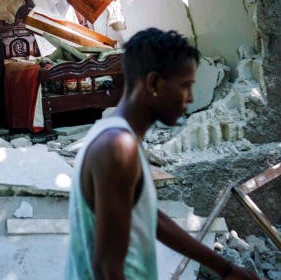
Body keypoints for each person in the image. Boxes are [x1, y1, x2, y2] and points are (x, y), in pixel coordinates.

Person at [65, 28, 261, 280]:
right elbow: (106, 269)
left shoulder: (118, 136)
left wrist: (227, 269)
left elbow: (151, 218)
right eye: (185, 86)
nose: (190, 98)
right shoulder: (118, 148)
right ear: (154, 82)